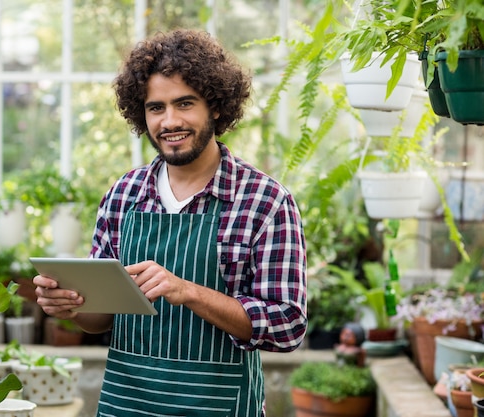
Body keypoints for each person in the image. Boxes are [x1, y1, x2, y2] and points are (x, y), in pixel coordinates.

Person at [33, 29, 307, 417]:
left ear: (214, 106)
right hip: (126, 406)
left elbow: (288, 326)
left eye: (184, 103)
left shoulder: (265, 201)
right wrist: (70, 306)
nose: (170, 121)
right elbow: (101, 319)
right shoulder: (123, 195)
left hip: (220, 408)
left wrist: (188, 292)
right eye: (156, 108)